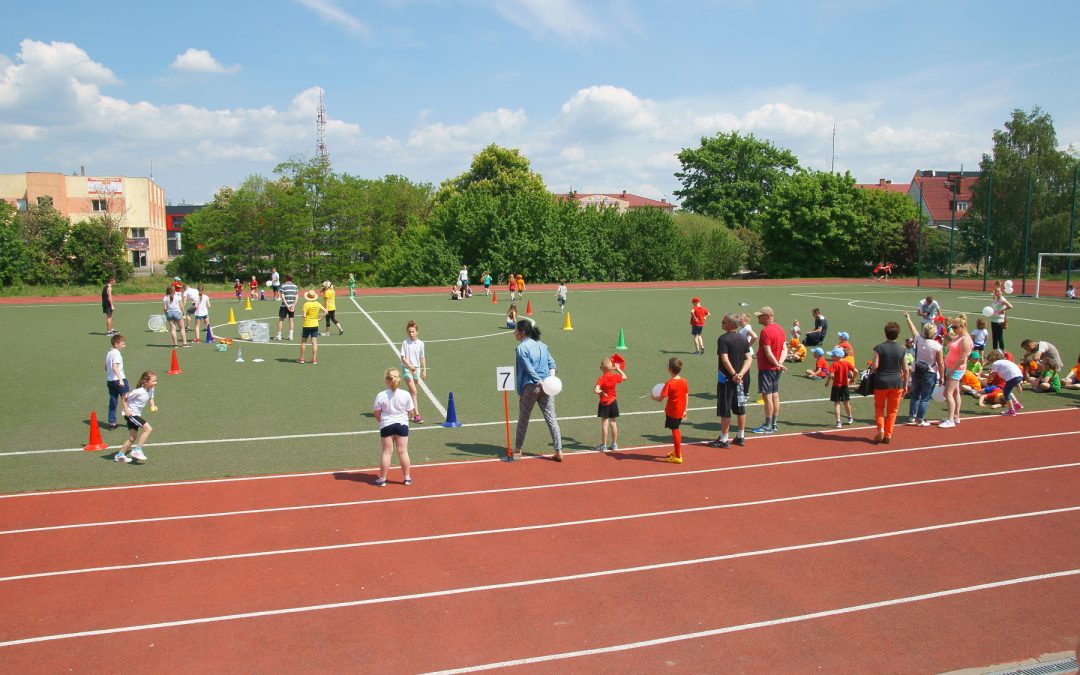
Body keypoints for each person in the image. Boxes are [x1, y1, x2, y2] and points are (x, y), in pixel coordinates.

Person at [512, 320, 562, 462]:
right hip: (547, 386)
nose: (514, 332)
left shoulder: (522, 348)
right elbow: (552, 363)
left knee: (523, 418)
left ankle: (517, 449)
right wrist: (550, 380)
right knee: (551, 418)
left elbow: (528, 368)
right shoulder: (542, 345)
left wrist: (539, 381)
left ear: (522, 333)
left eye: (516, 330)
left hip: (531, 386)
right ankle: (558, 450)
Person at [709, 314, 751, 448]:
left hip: (726, 379)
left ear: (730, 325)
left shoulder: (723, 339)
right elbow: (749, 358)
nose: (721, 323)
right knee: (740, 407)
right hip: (741, 380)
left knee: (725, 408)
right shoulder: (743, 338)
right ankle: (741, 436)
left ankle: (724, 439)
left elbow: (725, 359)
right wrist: (741, 374)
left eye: (724, 321)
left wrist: (733, 374)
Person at [372, 368, 414, 487]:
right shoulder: (405, 394)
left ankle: (382, 479)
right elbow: (411, 412)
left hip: (386, 425)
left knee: (386, 452)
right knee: (403, 451)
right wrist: (404, 418)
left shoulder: (381, 395)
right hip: (402, 425)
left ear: (387, 381)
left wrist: (382, 421)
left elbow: (376, 413)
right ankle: (407, 478)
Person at [902, 311, 944, 427]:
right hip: (930, 372)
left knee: (915, 395)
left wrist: (908, 318)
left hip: (916, 370)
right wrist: (942, 376)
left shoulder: (918, 340)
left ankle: (912, 416)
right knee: (925, 398)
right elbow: (940, 362)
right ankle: (920, 419)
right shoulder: (937, 345)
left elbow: (913, 330)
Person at [871, 321, 909, 444]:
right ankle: (888, 434)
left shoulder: (879, 348)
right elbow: (906, 369)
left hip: (881, 382)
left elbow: (875, 366)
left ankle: (880, 428)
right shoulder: (902, 349)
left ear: (885, 334)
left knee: (879, 407)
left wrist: (872, 369)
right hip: (897, 382)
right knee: (893, 410)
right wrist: (906, 384)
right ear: (898, 335)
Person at [752, 306, 787, 434]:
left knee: (767, 397)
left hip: (767, 368)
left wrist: (776, 363)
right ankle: (774, 424)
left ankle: (767, 425)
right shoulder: (780, 329)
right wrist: (779, 364)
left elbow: (768, 352)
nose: (758, 317)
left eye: (760, 316)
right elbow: (784, 349)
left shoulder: (766, 331)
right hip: (776, 368)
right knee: (775, 396)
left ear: (767, 316)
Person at [114, 371, 156, 463]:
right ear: (145, 382)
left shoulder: (151, 389)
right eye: (153, 381)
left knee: (132, 438)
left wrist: (152, 405)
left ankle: (119, 455)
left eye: (155, 381)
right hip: (131, 414)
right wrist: (126, 410)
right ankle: (138, 450)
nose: (155, 383)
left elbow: (151, 397)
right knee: (148, 429)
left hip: (136, 414)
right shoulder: (138, 392)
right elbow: (124, 397)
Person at [652, 357, 689, 463]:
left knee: (675, 431)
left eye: (667, 365)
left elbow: (660, 399)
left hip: (673, 412)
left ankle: (678, 456)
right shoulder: (684, 381)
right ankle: (676, 451)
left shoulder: (669, 383)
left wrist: (653, 397)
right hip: (680, 410)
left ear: (670, 369)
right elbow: (686, 395)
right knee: (675, 429)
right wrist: (685, 409)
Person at [939, 314, 973, 429]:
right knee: (955, 392)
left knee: (947, 393)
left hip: (956, 369)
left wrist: (951, 371)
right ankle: (955, 416)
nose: (953, 329)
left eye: (955, 327)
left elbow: (963, 358)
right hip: (951, 367)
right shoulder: (959, 336)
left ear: (962, 327)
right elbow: (950, 341)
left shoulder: (965, 340)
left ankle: (950, 420)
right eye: (953, 327)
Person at [593, 356, 626, 452]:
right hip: (613, 402)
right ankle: (614, 444)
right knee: (613, 423)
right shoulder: (615, 377)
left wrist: (601, 392)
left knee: (604, 424)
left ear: (601, 368)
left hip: (604, 403)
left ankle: (604, 446)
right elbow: (625, 377)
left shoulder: (601, 379)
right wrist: (619, 369)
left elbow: (596, 390)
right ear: (611, 367)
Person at [400, 320, 428, 424]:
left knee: (411, 392)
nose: (411, 334)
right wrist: (410, 366)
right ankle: (417, 415)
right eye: (409, 332)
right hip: (407, 369)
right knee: (414, 391)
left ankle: (406, 410)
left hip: (416, 369)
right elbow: (403, 358)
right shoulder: (405, 343)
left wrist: (424, 370)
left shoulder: (421, 344)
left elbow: (422, 357)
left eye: (413, 331)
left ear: (417, 332)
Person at [824, 347, 856, 428]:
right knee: (846, 402)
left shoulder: (834, 365)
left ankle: (838, 421)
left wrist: (827, 382)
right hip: (845, 386)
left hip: (836, 387)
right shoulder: (847, 363)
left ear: (837, 356)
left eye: (833, 356)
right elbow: (856, 371)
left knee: (837, 404)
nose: (831, 357)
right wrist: (852, 379)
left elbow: (831, 375)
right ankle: (850, 417)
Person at [984, 350, 1025, 415]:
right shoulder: (1006, 361)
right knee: (1007, 391)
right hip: (1019, 376)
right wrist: (1018, 384)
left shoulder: (996, 363)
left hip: (1012, 377)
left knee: (1006, 393)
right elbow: (1013, 372)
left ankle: (1011, 410)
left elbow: (993, 375)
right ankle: (1017, 404)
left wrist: (986, 378)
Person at [104, 333, 129, 430]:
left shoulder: (109, 353)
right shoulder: (117, 354)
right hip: (119, 380)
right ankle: (131, 421)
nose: (124, 345)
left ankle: (112, 423)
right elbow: (115, 367)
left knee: (113, 401)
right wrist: (120, 379)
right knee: (127, 400)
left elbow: (106, 367)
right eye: (122, 344)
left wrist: (110, 376)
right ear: (116, 344)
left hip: (110, 381)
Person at [298, 289, 326, 364]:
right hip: (315, 325)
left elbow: (304, 315)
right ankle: (314, 359)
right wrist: (320, 319)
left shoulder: (306, 304)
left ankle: (302, 358)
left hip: (307, 325)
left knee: (303, 341)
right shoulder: (317, 304)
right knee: (314, 342)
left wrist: (303, 316)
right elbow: (326, 312)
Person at [738, 313, 758, 396]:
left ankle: (745, 392)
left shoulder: (746, 328)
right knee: (744, 372)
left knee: (744, 372)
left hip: (746, 354)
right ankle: (744, 391)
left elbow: (755, 336)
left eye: (741, 320)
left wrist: (747, 346)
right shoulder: (745, 328)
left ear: (745, 321)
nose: (739, 321)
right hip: (745, 352)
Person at [275, 274, 299, 341]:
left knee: (281, 320)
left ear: (286, 278)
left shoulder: (283, 285)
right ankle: (291, 336)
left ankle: (279, 335)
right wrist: (293, 306)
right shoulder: (295, 286)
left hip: (284, 306)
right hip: (292, 306)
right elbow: (297, 298)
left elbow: (282, 297)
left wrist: (287, 305)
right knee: (291, 320)